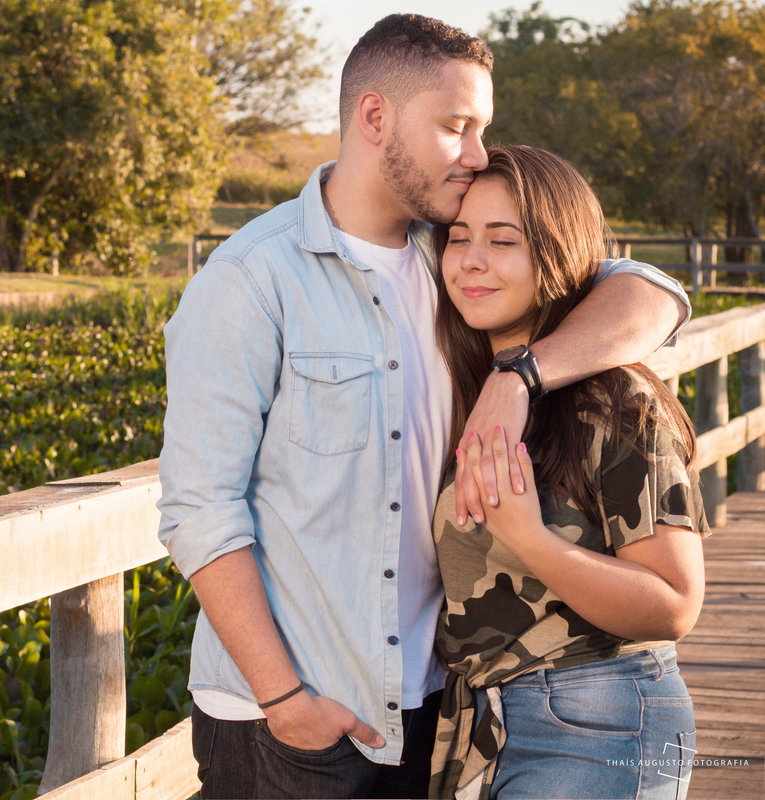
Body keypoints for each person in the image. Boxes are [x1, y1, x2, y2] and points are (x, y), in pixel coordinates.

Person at [157, 14, 691, 799]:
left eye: (483, 130)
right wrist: (285, 699)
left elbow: (651, 291)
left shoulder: (456, 259)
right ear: (375, 117)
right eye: (456, 127)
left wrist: (519, 378)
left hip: (440, 712)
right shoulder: (249, 281)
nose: (476, 154)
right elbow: (200, 509)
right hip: (296, 718)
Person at [428, 145, 707, 800]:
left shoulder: (613, 400)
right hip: (484, 721)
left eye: (503, 241)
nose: (471, 259)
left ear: (554, 257)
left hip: (594, 717)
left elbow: (675, 604)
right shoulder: (463, 385)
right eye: (459, 238)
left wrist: (531, 539)